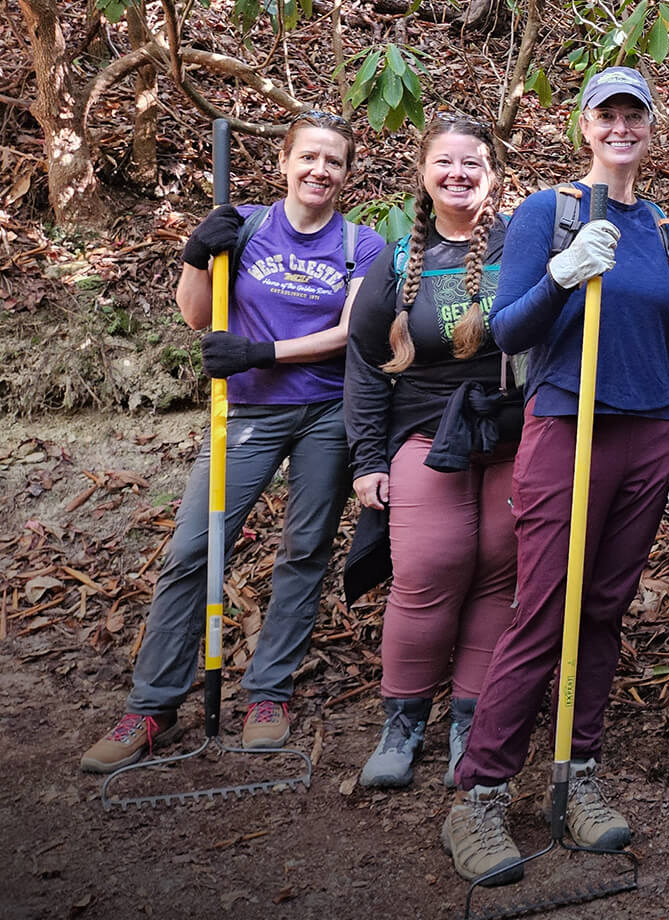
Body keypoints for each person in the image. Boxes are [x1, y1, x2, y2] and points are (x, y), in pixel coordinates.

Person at [441, 67, 669, 885]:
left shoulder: (661, 229)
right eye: (608, 115)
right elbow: (504, 332)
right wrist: (561, 275)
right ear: (585, 127)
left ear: (650, 129)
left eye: (636, 114)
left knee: (603, 610)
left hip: (647, 433)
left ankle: (577, 772)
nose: (622, 127)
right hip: (567, 425)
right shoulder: (546, 213)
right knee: (543, 608)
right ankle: (481, 792)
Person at [81, 111, 384, 773]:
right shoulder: (241, 228)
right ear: (284, 161)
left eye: (333, 162)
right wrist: (196, 254)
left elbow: (351, 333)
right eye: (308, 157)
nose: (319, 171)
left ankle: (268, 693)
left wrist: (263, 350)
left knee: (304, 550)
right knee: (194, 548)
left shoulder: (361, 244)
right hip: (245, 412)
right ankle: (152, 704)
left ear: (347, 174)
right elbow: (196, 315)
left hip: (327, 413)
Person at [343, 113, 513, 789]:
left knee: (500, 572)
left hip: (512, 434)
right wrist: (366, 461)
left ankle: (468, 721)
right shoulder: (399, 261)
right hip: (422, 431)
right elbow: (362, 362)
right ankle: (403, 720)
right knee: (428, 566)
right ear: (423, 172)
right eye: (445, 162)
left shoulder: (518, 245)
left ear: (492, 173)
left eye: (472, 162)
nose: (459, 174)